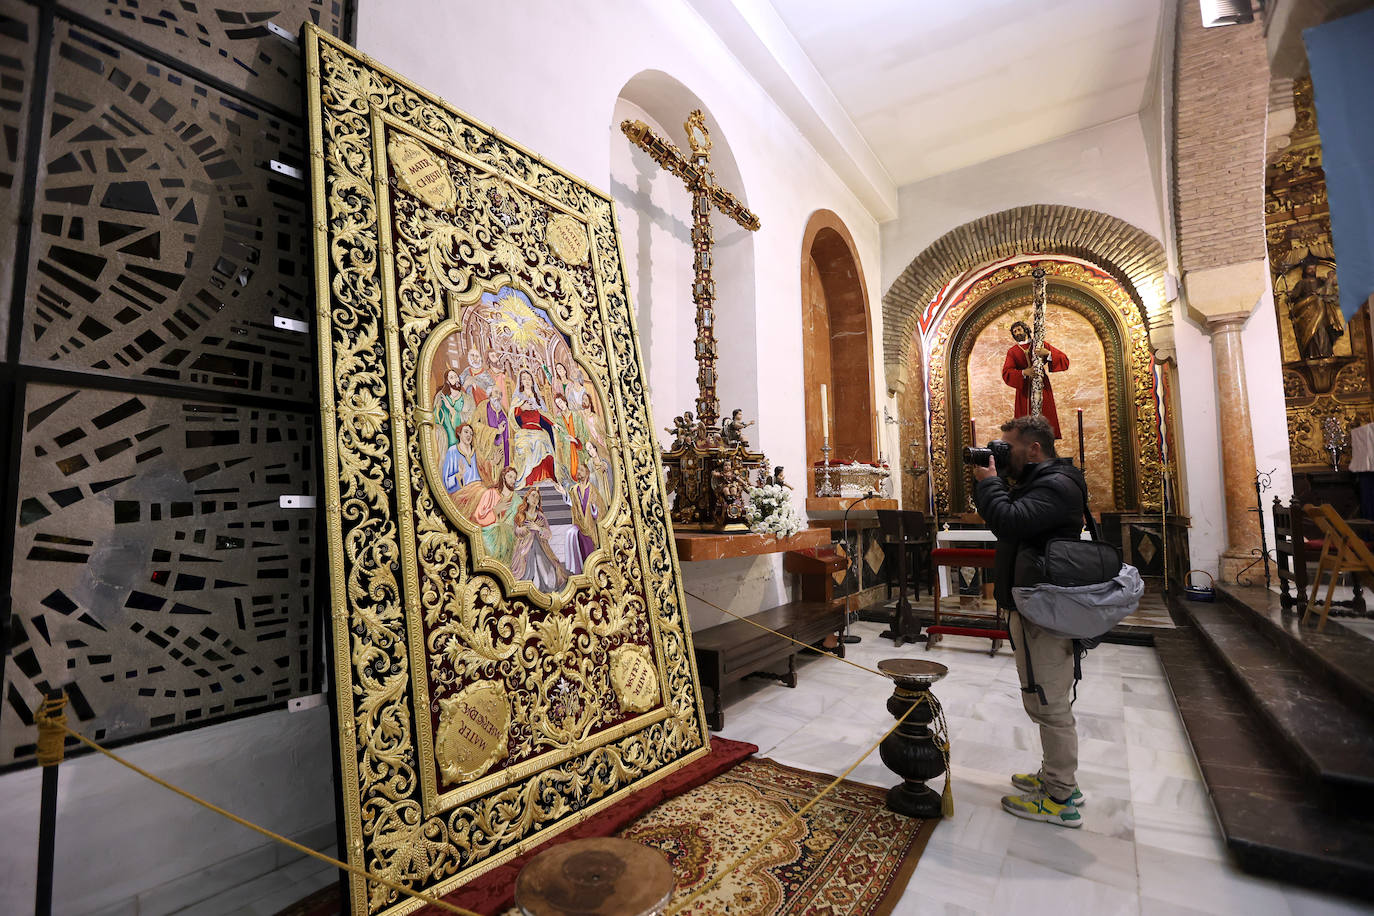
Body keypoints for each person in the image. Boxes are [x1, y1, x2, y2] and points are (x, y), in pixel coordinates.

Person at [971, 414, 1087, 828]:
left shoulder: (1057, 484)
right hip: (1034, 600)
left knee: (1051, 701)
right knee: (1041, 694)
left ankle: (1060, 797)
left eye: (1009, 448)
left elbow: (1009, 521)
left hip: (1045, 604)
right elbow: (1005, 519)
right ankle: (1055, 778)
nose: (1004, 454)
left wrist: (990, 481)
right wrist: (992, 479)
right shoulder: (1040, 482)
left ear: (1034, 448)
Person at [1001, 321, 1069, 439]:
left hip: (1042, 385)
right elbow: (1007, 372)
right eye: (1014, 331)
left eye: (1019, 329)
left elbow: (1064, 359)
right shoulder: (1012, 351)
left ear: (1026, 329)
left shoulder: (1039, 344)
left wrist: (1048, 353)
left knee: (1045, 413)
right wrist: (1023, 372)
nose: (1017, 333)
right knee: (1024, 422)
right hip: (1024, 390)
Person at [510, 489, 568, 592]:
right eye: (532, 496)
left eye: (537, 497)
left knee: (544, 564)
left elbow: (549, 535)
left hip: (541, 547)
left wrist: (538, 528)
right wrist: (522, 529)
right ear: (527, 499)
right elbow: (516, 531)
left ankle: (544, 584)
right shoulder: (521, 515)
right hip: (525, 547)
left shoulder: (541, 516)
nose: (535, 499)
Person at [1287, 262, 1344, 360]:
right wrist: (1290, 295)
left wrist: (1329, 281)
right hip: (1308, 313)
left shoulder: (1321, 281)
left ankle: (1326, 352)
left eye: (1314, 268)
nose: (1312, 270)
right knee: (1311, 334)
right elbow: (1293, 297)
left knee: (1322, 331)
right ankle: (1311, 354)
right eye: (1310, 268)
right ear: (1305, 270)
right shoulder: (1302, 283)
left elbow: (1330, 291)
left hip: (1321, 312)